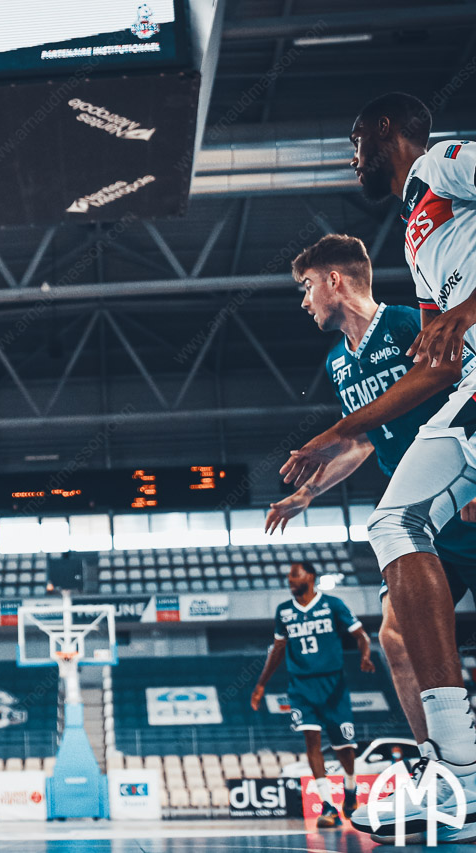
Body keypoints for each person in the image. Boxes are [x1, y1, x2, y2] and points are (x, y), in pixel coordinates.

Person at [279, 92, 476, 839]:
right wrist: (318, 473)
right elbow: (430, 376)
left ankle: (459, 765)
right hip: (452, 432)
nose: (352, 155)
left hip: (457, 467)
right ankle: (448, 765)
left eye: (356, 140)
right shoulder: (416, 240)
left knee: (398, 528)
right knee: (396, 610)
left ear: (385, 131)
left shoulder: (443, 163)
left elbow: (440, 350)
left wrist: (470, 309)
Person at [266, 233, 476, 762]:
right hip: (417, 522)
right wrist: (308, 493)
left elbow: (466, 387)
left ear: (334, 280)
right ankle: (440, 762)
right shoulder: (339, 362)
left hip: (461, 495)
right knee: (396, 638)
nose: (304, 300)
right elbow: (363, 440)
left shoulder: (408, 323)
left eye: (307, 286)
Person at [250, 562, 374, 827]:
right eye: (288, 576)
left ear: (311, 576)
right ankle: (328, 807)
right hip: (301, 687)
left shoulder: (333, 605)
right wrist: (261, 684)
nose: (290, 579)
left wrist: (365, 655)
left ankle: (350, 789)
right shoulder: (284, 611)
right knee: (311, 741)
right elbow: (278, 649)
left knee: (344, 747)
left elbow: (361, 635)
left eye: (295, 575)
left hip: (333, 685)